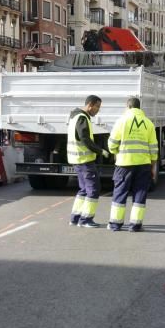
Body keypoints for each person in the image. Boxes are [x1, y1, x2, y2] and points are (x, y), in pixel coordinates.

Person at [107, 97, 157, 233]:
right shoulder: (148, 124)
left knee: (120, 192)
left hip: (124, 164)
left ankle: (115, 225)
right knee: (140, 193)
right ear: (139, 108)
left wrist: (115, 152)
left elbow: (112, 144)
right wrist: (152, 166)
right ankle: (135, 225)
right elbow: (154, 149)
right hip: (144, 164)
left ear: (128, 107)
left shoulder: (121, 121)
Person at [66, 94, 110, 228]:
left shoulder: (76, 116)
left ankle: (75, 218)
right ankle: (86, 220)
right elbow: (85, 139)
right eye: (97, 106)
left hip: (78, 159)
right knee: (93, 189)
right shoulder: (82, 118)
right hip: (84, 160)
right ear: (90, 105)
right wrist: (100, 150)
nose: (98, 110)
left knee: (84, 189)